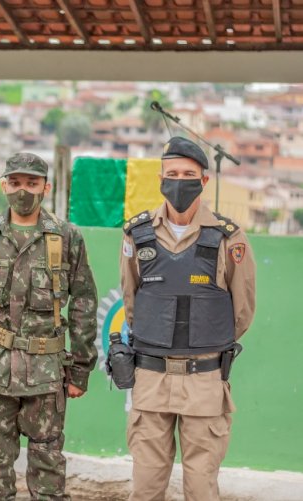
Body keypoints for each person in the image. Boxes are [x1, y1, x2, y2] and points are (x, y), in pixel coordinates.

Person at [0, 152, 98, 500]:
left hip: (47, 375)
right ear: (4, 185)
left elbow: (83, 302)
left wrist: (80, 370)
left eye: (32, 183)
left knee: (48, 470)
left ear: (45, 187)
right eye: (16, 182)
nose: (23, 191)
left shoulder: (66, 237)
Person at [120, 136, 256, 501]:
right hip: (151, 379)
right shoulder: (136, 233)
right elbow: (132, 301)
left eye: (189, 174)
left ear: (204, 181)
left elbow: (241, 311)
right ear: (161, 179)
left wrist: (204, 339)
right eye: (172, 173)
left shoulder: (230, 237)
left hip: (204, 381)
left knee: (201, 488)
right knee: (146, 487)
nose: (179, 181)